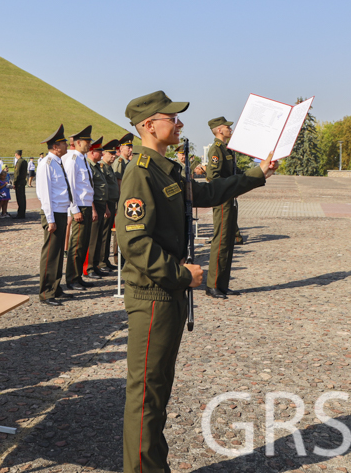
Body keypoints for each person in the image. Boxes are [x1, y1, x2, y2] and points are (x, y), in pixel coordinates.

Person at [116, 91, 277, 473]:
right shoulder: (140, 172)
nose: (179, 123)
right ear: (148, 125)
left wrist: (256, 175)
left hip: (167, 294)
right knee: (147, 396)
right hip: (154, 294)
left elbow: (205, 192)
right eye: (171, 118)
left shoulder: (162, 168)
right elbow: (133, 241)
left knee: (158, 392)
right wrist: (181, 275)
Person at [203, 117, 241, 299]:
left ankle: (223, 284)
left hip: (230, 198)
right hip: (223, 200)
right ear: (219, 130)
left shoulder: (227, 149)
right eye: (227, 127)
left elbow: (236, 173)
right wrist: (229, 187)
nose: (229, 129)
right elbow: (212, 176)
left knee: (229, 242)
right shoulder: (216, 149)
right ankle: (212, 285)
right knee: (220, 242)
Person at [35, 125, 73, 306]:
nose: (67, 145)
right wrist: (50, 219)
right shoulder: (46, 164)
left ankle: (56, 287)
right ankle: (46, 293)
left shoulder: (58, 162)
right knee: (50, 254)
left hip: (60, 211)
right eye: (64, 143)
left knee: (58, 253)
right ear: (56, 146)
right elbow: (45, 193)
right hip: (53, 213)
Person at [62, 125, 96, 290]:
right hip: (80, 207)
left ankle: (78, 276)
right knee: (76, 245)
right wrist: (74, 209)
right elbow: (70, 186)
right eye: (87, 141)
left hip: (87, 205)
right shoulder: (73, 160)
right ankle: (71, 279)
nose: (89, 144)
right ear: (77, 142)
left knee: (83, 243)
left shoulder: (83, 159)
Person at [84, 137, 111, 279]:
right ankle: (89, 268)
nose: (102, 154)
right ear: (92, 152)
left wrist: (105, 206)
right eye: (99, 152)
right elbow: (90, 190)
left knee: (99, 236)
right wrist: (93, 209)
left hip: (101, 204)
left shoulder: (96, 167)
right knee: (93, 238)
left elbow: (102, 188)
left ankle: (96, 265)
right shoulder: (88, 167)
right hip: (94, 205)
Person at [99, 139, 121, 271]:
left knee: (107, 235)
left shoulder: (108, 167)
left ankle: (105, 260)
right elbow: (103, 190)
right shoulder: (102, 167)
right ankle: (101, 262)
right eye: (110, 153)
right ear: (104, 153)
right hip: (106, 204)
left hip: (112, 203)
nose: (113, 156)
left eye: (114, 154)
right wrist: (106, 207)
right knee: (104, 234)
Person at [13, 150, 28, 219]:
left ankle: (20, 214)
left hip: (19, 182)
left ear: (16, 154)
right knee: (23, 198)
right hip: (23, 181)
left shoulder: (19, 162)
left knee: (20, 198)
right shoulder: (24, 161)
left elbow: (17, 173)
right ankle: (22, 213)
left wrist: (14, 182)